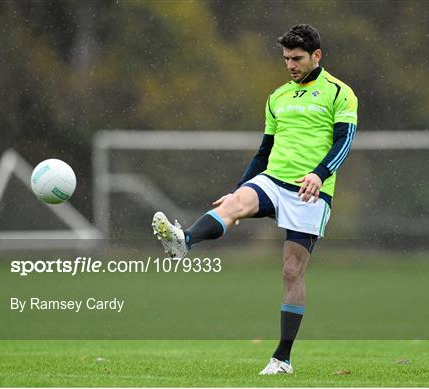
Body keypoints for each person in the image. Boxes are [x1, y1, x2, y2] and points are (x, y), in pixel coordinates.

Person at [152, 24, 358, 375]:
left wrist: (318, 174)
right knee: (232, 205)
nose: (291, 65)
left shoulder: (340, 93)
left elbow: (345, 141)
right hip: (273, 180)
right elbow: (264, 151)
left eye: (297, 58)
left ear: (316, 56)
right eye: (286, 59)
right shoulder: (277, 97)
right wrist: (239, 186)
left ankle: (282, 359)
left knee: (292, 272)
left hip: (311, 192)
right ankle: (184, 241)